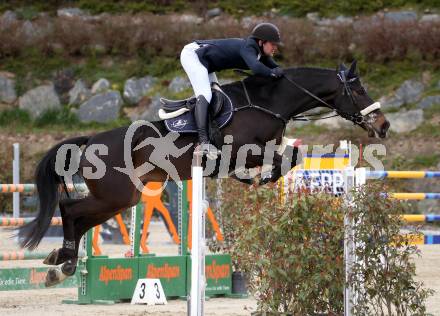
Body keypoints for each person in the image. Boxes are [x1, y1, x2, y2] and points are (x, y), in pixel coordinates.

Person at [180, 22, 284, 158]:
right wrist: (272, 73)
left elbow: (277, 69)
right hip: (192, 55)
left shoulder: (259, 52)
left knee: (218, 98)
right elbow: (257, 69)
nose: (275, 47)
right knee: (206, 95)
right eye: (273, 44)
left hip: (206, 64)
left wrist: (280, 73)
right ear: (261, 42)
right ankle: (203, 142)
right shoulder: (249, 47)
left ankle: (213, 137)